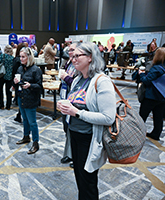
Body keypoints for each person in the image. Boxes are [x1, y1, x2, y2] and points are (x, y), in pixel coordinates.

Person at [57, 42, 116, 199]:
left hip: (90, 139)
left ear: (90, 57)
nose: (73, 59)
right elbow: (74, 103)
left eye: (77, 56)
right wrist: (65, 105)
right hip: (75, 135)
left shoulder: (101, 81)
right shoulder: (77, 79)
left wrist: (77, 113)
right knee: (79, 178)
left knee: (88, 181)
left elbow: (108, 117)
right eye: (72, 56)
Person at [14, 47, 43, 154]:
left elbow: (40, 86)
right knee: (25, 120)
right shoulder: (20, 69)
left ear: (29, 57)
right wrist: (15, 82)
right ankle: (26, 136)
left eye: (23, 57)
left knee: (32, 122)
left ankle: (36, 143)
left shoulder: (36, 70)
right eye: (20, 57)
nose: (21, 59)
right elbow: (17, 83)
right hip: (21, 96)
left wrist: (30, 85)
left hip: (31, 98)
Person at [139, 47, 165, 141]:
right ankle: (156, 134)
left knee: (142, 117)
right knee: (158, 117)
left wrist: (141, 74)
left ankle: (138, 134)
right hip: (164, 96)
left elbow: (146, 81)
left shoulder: (156, 68)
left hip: (151, 96)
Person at [59, 42, 79, 168]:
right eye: (69, 50)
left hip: (75, 102)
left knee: (74, 129)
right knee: (66, 128)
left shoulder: (79, 65)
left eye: (72, 50)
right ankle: (70, 153)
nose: (70, 52)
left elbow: (77, 86)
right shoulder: (68, 63)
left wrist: (66, 77)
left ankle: (75, 157)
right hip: (65, 97)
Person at [0, 45, 14, 110]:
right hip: (9, 76)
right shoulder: (12, 58)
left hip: (2, 75)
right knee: (8, 91)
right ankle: (8, 106)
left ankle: (1, 105)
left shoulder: (2, 56)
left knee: (0, 90)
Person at [12, 43, 25, 123]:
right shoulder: (17, 60)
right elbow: (14, 72)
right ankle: (19, 115)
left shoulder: (16, 59)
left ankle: (19, 115)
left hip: (21, 82)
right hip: (18, 82)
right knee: (20, 99)